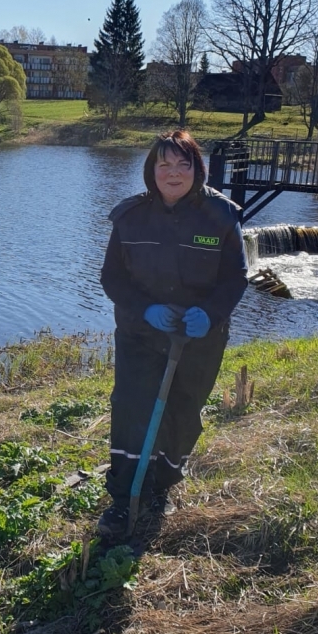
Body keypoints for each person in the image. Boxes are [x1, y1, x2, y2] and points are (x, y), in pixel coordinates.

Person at [97, 131, 248, 540]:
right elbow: (111, 278)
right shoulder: (130, 218)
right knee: (131, 407)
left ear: (198, 169)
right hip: (140, 333)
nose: (173, 173)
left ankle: (161, 482)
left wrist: (211, 313)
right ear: (152, 170)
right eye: (164, 164)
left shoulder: (222, 214)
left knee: (183, 410)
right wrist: (145, 309)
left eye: (184, 164)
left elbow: (236, 277)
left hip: (201, 336)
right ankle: (125, 493)